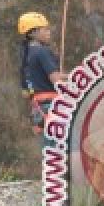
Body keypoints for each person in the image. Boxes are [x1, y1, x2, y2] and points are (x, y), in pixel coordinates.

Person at [18, 11, 67, 147]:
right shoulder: (42, 52)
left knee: (49, 151)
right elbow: (56, 80)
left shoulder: (25, 54)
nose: (48, 32)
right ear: (33, 33)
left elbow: (28, 87)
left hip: (38, 108)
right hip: (51, 106)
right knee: (60, 149)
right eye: (45, 29)